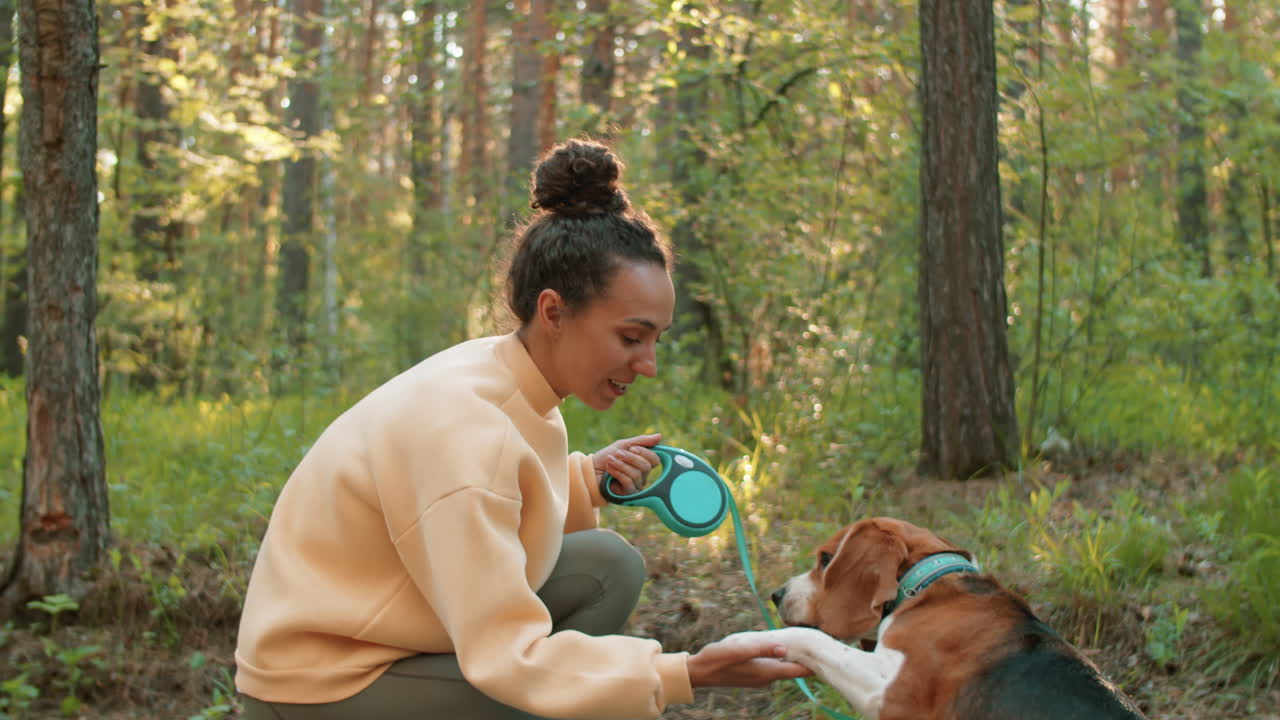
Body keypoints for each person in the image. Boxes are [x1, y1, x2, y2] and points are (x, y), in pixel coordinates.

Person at [234, 139, 810, 720]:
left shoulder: (500, 374)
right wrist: (685, 673)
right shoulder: (466, 432)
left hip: (380, 629)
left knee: (607, 567)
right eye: (631, 337)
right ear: (554, 312)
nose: (649, 364)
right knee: (545, 694)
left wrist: (588, 482)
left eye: (656, 339)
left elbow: (490, 500)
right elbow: (507, 655)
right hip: (318, 684)